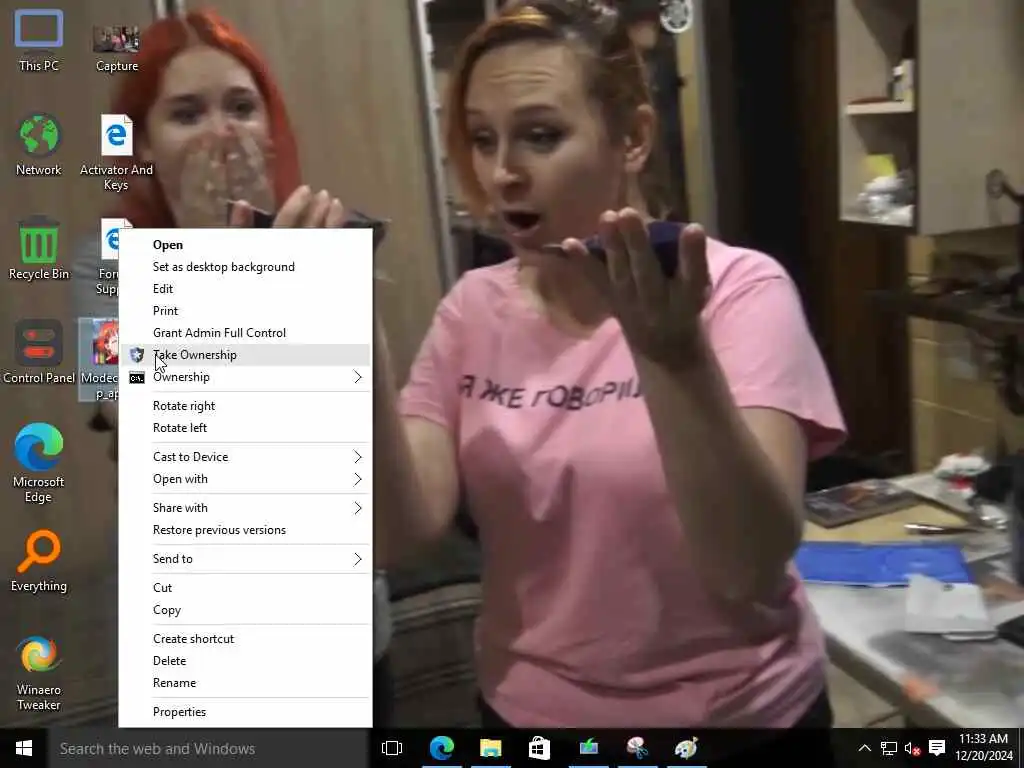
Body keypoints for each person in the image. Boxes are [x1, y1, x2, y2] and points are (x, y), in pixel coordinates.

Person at [373, 0, 845, 762]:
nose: (501, 173)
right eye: (484, 139)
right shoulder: (471, 310)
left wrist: (675, 359)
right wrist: (348, 341)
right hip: (532, 720)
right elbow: (395, 534)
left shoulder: (738, 291)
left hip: (739, 725)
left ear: (632, 137)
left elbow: (747, 569)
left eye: (540, 135)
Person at [72, 8, 394, 727]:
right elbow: (137, 426)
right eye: (187, 114)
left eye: (242, 108)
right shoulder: (102, 269)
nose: (222, 133)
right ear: (143, 143)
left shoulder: (321, 240)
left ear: (270, 129)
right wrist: (211, 256)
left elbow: (361, 440)